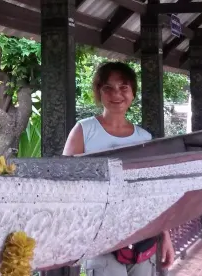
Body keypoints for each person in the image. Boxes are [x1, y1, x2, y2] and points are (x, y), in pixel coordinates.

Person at [62, 61, 175, 276]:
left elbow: (154, 192)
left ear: (133, 93)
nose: (116, 94)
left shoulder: (144, 138)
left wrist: (165, 236)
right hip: (99, 239)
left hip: (142, 236)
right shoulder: (84, 130)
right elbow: (65, 185)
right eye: (108, 88)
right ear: (99, 92)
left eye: (123, 87)